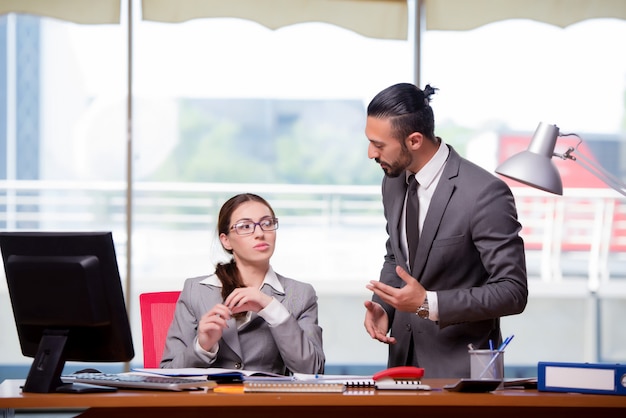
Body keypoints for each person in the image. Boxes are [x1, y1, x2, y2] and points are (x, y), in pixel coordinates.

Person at [363, 83, 528, 378]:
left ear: (414, 140)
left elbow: (512, 291)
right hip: (401, 366)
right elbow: (396, 257)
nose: (370, 153)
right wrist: (384, 306)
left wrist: (429, 304)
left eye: (379, 144)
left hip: (464, 373)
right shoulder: (393, 181)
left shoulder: (484, 193)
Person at [161, 193, 325, 375]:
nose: (260, 233)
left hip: (269, 401)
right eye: (245, 226)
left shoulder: (300, 294)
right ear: (226, 240)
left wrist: (271, 308)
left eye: (267, 223)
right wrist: (203, 346)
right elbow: (168, 372)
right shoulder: (196, 291)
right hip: (211, 401)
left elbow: (313, 370)